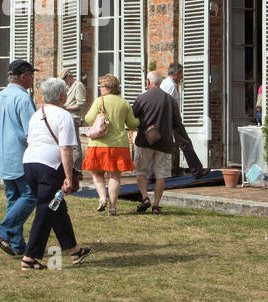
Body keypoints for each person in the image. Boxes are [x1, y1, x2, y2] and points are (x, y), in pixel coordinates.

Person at [21, 77, 91, 270]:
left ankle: (74, 250)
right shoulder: (63, 115)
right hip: (49, 166)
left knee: (56, 208)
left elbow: (29, 140)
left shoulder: (36, 114)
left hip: (30, 163)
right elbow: (66, 148)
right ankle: (30, 257)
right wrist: (69, 177)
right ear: (62, 95)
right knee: (46, 209)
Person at [0, 60, 38, 256]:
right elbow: (31, 131)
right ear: (23, 76)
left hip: (2, 155)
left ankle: (17, 245)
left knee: (13, 199)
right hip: (20, 155)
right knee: (30, 195)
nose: (33, 78)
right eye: (31, 75)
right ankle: (3, 230)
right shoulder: (23, 99)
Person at [83, 73, 139, 216]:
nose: (100, 88)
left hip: (98, 144)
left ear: (108, 87)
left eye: (101, 86)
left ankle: (102, 197)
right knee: (114, 177)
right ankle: (113, 207)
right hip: (119, 145)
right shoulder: (124, 103)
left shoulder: (99, 101)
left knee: (96, 173)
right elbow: (132, 124)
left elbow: (88, 118)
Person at [132, 70, 185, 214]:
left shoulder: (142, 98)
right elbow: (177, 123)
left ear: (148, 82)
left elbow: (133, 118)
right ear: (160, 82)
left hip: (144, 141)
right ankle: (156, 205)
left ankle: (145, 198)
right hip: (164, 143)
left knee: (141, 171)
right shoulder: (170, 100)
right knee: (161, 174)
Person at [161, 62, 206, 176]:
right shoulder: (170, 86)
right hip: (173, 120)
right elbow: (168, 105)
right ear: (176, 74)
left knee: (179, 144)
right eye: (181, 74)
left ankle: (178, 170)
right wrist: (172, 123)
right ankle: (197, 170)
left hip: (171, 120)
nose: (182, 77)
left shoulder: (166, 83)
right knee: (185, 143)